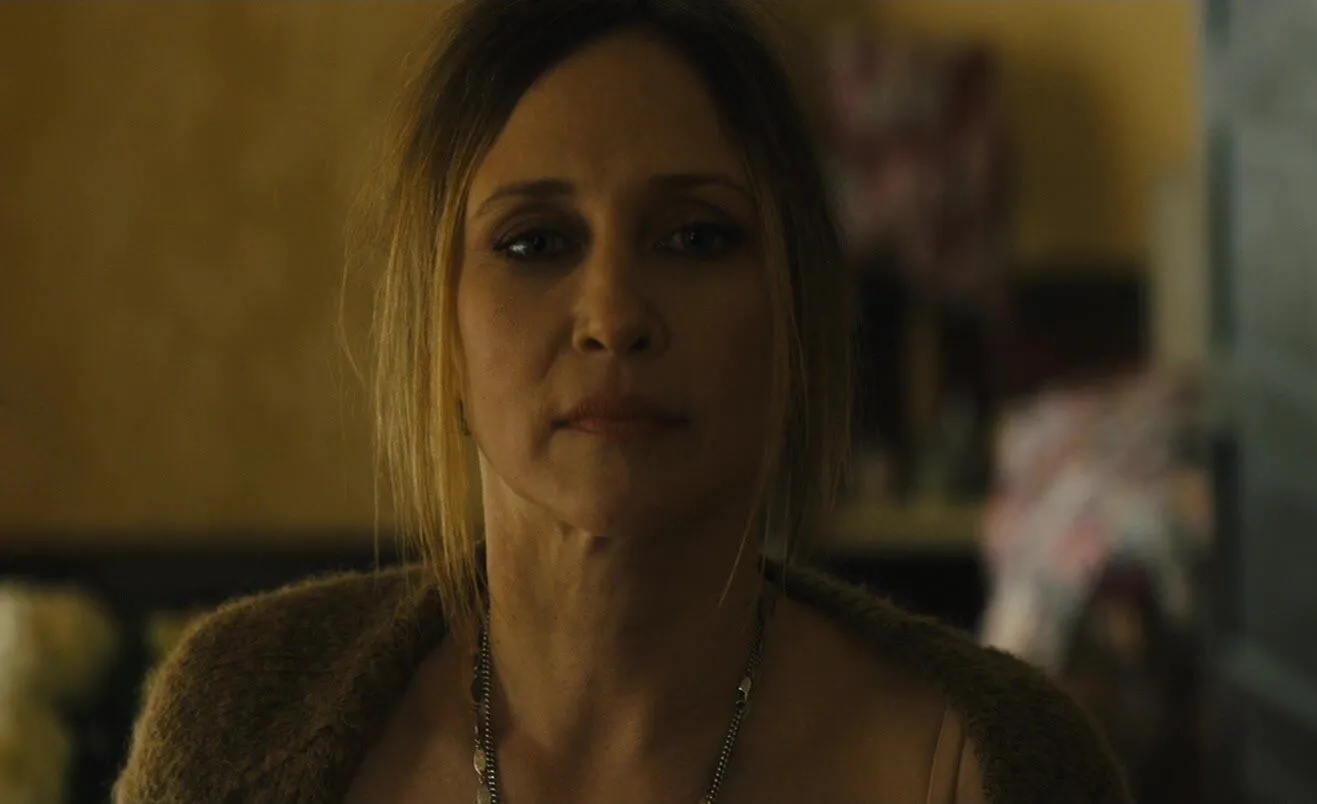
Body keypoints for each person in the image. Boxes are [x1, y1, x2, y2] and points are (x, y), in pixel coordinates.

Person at [112, 1, 1129, 802]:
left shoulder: (985, 761)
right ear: (440, 327)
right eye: (534, 243)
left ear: (794, 311)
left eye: (695, 238)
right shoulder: (244, 719)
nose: (613, 316)